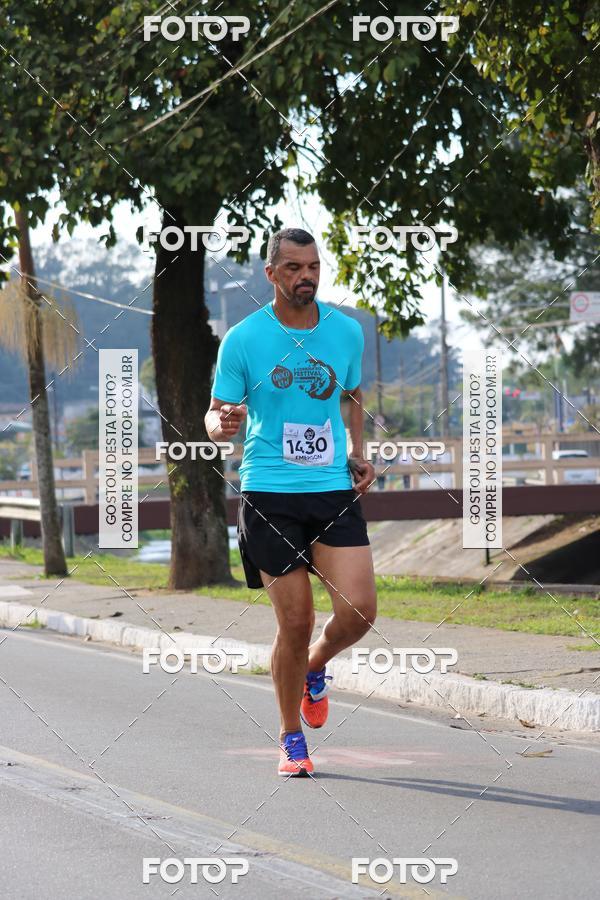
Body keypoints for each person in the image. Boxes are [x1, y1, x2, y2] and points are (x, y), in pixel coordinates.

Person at [204, 227, 377, 777]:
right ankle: (290, 737)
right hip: (268, 492)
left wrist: (358, 451)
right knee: (296, 621)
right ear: (272, 275)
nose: (307, 276)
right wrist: (221, 424)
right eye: (295, 268)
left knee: (359, 611)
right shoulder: (244, 339)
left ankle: (312, 669)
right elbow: (216, 415)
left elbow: (351, 395)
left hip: (330, 489)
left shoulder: (346, 332)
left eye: (314, 266)